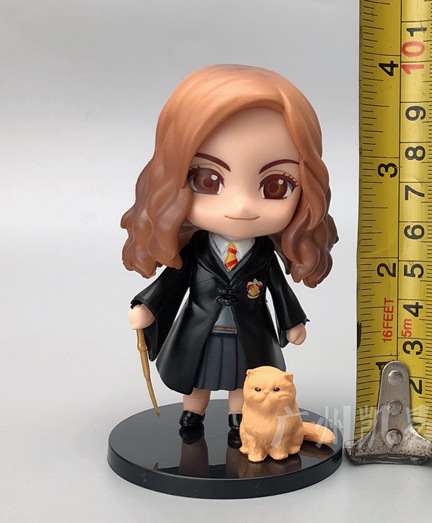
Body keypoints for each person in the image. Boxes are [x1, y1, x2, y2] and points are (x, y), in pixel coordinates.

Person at [121, 65, 337, 437]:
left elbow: (279, 289)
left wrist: (292, 321)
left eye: (276, 185)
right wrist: (147, 306)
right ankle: (193, 415)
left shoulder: (262, 254)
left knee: (245, 379)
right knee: (196, 377)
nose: (241, 205)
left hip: (249, 332)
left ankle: (239, 420)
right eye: (208, 180)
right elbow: (172, 283)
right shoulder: (197, 250)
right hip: (199, 329)